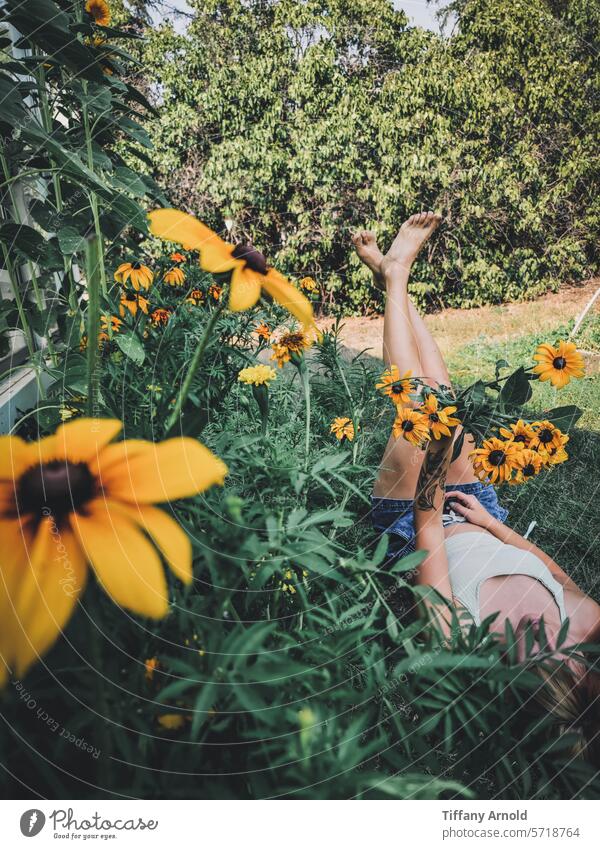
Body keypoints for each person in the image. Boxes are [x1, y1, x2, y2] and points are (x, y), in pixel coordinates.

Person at [353, 212, 600, 762]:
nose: (581, 664)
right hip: (481, 511)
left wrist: (439, 466)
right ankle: (395, 279)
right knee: (444, 395)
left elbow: (424, 528)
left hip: (412, 520)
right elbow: (556, 572)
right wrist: (492, 524)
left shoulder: (464, 645)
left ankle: (394, 278)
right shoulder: (586, 627)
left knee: (418, 407)